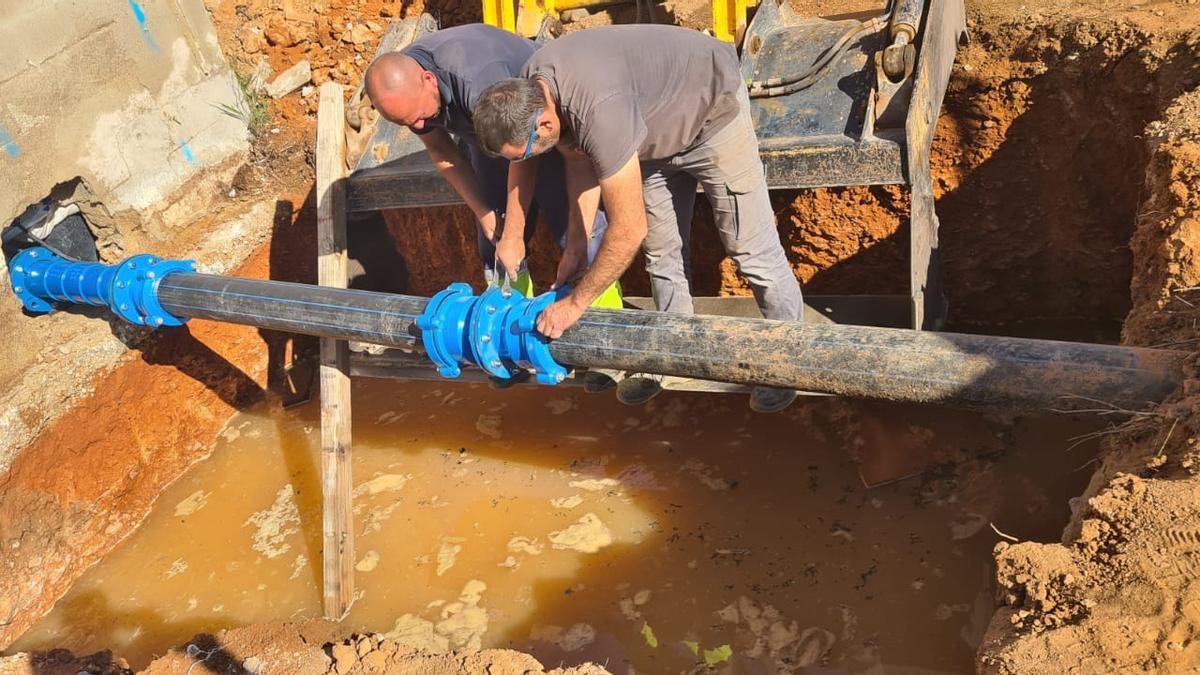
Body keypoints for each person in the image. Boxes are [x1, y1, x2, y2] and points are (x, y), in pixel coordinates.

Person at [472, 25, 804, 413]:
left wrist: (575, 304)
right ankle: (671, 350)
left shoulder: (597, 109)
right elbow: (577, 159)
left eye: (524, 154)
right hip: (648, 134)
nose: (523, 164)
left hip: (710, 114)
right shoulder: (534, 88)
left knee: (750, 248)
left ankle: (790, 359)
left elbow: (628, 229)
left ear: (544, 124)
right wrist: (577, 246)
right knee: (662, 253)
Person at [363, 23, 607, 295]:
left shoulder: (475, 78)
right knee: (495, 242)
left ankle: (604, 319)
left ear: (429, 79)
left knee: (572, 228)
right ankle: (509, 318)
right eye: (410, 123)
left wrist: (515, 234)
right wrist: (484, 213)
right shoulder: (405, 91)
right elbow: (441, 150)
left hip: (539, 130)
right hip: (487, 136)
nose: (420, 125)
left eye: (421, 116)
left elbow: (522, 152)